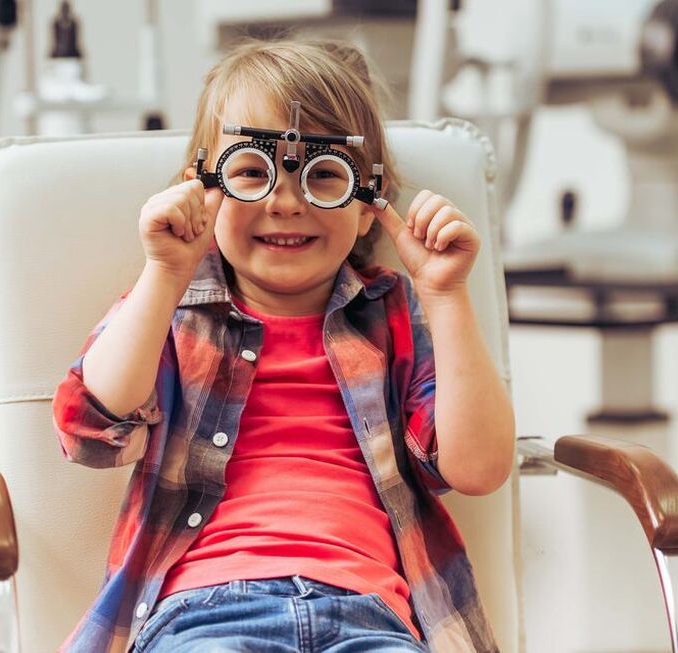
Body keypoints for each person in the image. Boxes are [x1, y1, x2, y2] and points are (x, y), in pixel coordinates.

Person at [52, 39, 515, 653]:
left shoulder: (397, 313)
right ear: (204, 188)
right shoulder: (171, 309)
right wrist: (164, 272)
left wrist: (447, 295)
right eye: (251, 170)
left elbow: (478, 469)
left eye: (325, 174)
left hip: (370, 613)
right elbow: (89, 432)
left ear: (370, 202)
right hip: (204, 613)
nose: (286, 202)